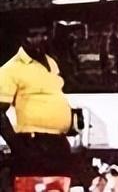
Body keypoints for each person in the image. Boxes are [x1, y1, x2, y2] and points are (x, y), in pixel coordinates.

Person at [0, 23, 74, 179]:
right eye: (34, 35)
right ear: (23, 39)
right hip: (33, 143)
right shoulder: (11, 69)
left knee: (61, 185)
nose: (41, 39)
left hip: (59, 143)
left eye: (44, 34)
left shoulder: (51, 63)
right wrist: (18, 146)